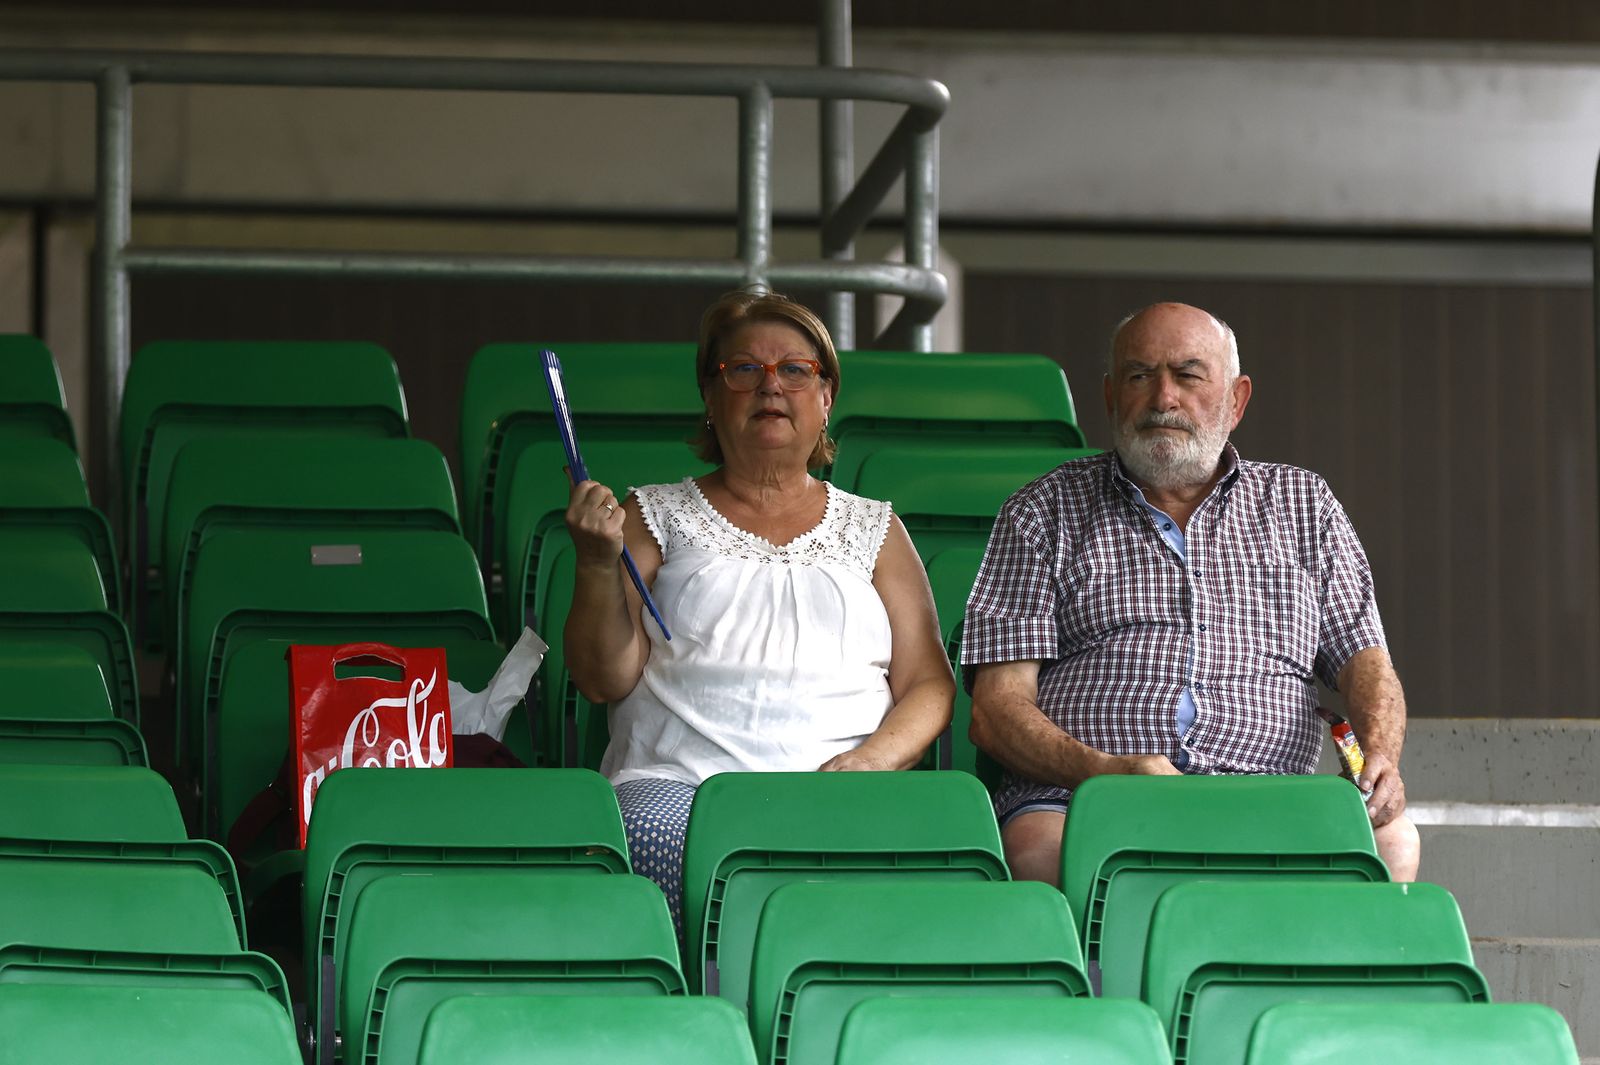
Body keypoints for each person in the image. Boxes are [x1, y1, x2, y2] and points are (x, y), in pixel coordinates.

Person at [963, 301, 1420, 885]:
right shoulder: (1042, 512)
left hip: (1268, 793)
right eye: (1138, 376)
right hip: (1084, 796)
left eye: (1188, 375)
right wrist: (1104, 772)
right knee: (1042, 853)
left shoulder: (1305, 507)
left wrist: (1380, 756)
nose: (1162, 399)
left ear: (1236, 400)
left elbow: (1367, 664)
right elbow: (996, 711)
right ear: (1109, 397)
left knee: (1391, 846)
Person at [563, 289, 955, 930]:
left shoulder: (875, 528)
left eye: (794, 370)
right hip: (680, 787)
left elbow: (929, 683)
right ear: (711, 399)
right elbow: (602, 677)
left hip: (840, 789)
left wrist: (869, 763)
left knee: (933, 850)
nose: (770, 386)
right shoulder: (653, 514)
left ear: (826, 397)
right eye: (744, 369)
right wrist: (595, 564)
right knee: (657, 844)